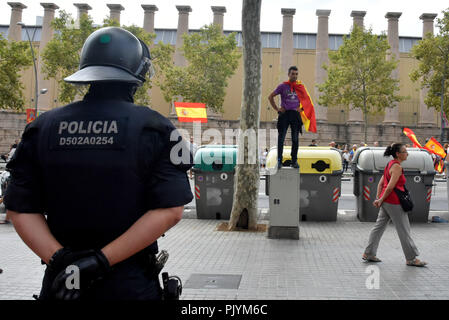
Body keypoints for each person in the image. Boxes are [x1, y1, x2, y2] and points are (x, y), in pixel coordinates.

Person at [3, 27, 193, 300]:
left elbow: (19, 208)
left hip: (62, 287)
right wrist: (99, 261)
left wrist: (62, 262)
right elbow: (171, 210)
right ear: (136, 76)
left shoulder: (43, 127)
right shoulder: (155, 128)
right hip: (130, 285)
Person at [362, 143, 427, 267]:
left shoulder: (389, 165)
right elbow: (390, 187)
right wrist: (380, 200)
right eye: (405, 151)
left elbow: (381, 184)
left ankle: (369, 253)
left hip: (387, 202)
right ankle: (411, 258)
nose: (407, 153)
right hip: (395, 202)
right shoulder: (397, 167)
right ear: (398, 154)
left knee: (378, 227)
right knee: (404, 230)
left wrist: (379, 198)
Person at [268, 66, 304, 169]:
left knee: (295, 139)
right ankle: (279, 161)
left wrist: (301, 110)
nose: (295, 76)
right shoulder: (282, 86)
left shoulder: (300, 87)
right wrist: (277, 109)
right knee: (281, 139)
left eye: (296, 74)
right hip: (284, 115)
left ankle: (294, 161)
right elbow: (270, 97)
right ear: (289, 74)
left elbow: (307, 102)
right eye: (293, 74)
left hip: (295, 115)